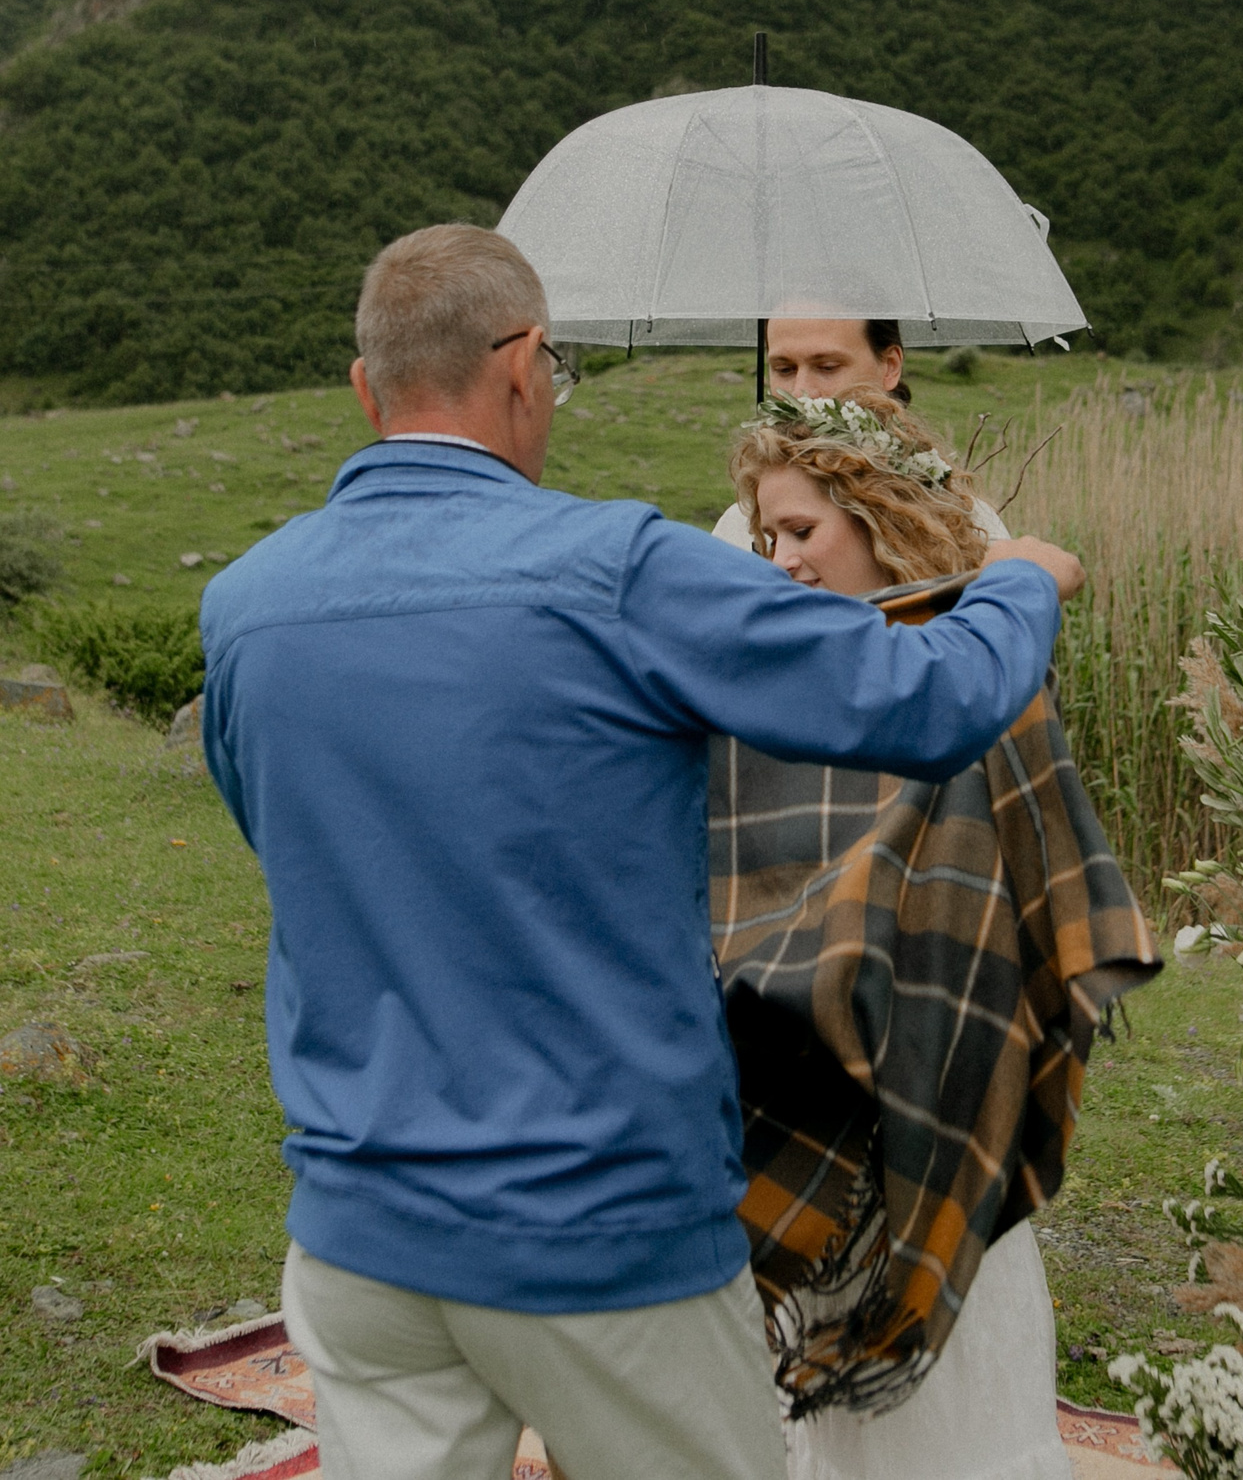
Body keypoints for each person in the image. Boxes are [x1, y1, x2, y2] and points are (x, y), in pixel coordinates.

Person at [198, 223, 1087, 1480]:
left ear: (365, 388)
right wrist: (1019, 582)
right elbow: (928, 701)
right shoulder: (618, 568)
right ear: (524, 367)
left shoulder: (243, 607)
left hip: (357, 1239)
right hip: (603, 1227)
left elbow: (297, 847)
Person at [713, 387, 1155, 1480]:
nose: (781, 561)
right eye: (767, 538)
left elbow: (1007, 903)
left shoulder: (975, 674)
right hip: (809, 1101)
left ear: (883, 521)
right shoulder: (775, 687)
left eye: (802, 530)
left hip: (945, 1088)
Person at [711, 317, 1017, 550]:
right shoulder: (738, 533)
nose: (801, 393)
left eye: (827, 367)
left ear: (890, 367)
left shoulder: (966, 528)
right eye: (784, 369)